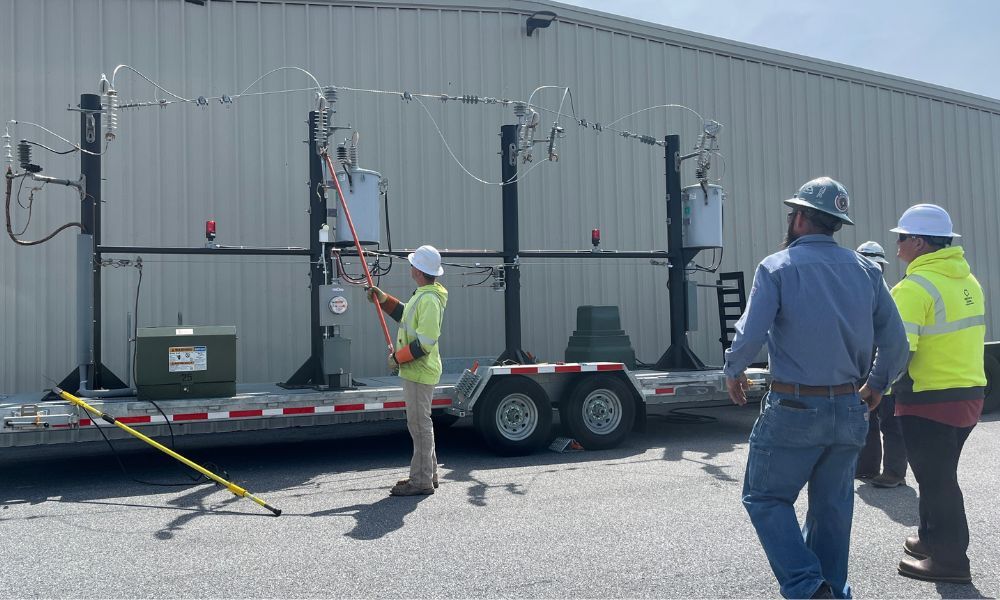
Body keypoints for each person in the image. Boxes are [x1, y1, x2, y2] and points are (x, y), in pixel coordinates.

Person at [724, 176, 908, 600]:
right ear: (836, 223)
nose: (790, 219)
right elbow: (896, 341)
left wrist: (734, 369)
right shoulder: (866, 271)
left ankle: (808, 585)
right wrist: (877, 384)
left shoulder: (777, 267)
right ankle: (832, 591)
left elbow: (752, 333)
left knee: (765, 497)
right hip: (848, 406)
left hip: (794, 406)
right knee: (831, 509)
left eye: (793, 213)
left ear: (803, 218)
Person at [889, 204, 986, 584]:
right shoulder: (968, 282)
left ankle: (949, 560)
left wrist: (874, 388)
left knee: (936, 480)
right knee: (938, 474)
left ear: (919, 242)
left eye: (901, 237)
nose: (896, 245)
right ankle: (930, 539)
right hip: (969, 394)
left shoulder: (914, 287)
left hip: (929, 399)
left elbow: (899, 352)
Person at [366, 245, 449, 496]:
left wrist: (398, 358)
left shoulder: (429, 300)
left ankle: (421, 481)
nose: (410, 267)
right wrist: (385, 300)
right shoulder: (424, 295)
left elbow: (424, 343)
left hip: (419, 370)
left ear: (419, 270)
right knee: (422, 424)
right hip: (418, 370)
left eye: (413, 264)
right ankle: (428, 474)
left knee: (419, 425)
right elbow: (405, 315)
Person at [854, 241, 909, 488]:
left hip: (886, 371)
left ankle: (895, 472)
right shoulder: (855, 293)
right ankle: (867, 468)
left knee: (890, 421)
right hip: (865, 368)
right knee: (867, 419)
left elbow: (896, 340)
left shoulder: (890, 294)